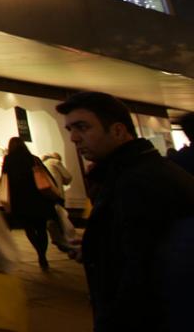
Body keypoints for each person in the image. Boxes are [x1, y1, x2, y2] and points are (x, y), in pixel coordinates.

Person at [57, 91, 194, 331]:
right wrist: (96, 247)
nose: (74, 138)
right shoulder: (134, 172)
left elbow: (140, 268)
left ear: (118, 131)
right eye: (70, 130)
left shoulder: (138, 182)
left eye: (82, 127)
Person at [1, 136, 58, 269]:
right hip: (37, 197)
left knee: (28, 227)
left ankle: (39, 251)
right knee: (41, 228)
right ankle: (42, 255)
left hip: (20, 199)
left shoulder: (8, 160)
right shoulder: (32, 158)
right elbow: (46, 175)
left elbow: (4, 178)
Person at [40, 151, 80, 257]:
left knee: (54, 216)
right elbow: (68, 177)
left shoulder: (41, 164)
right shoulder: (55, 162)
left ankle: (58, 238)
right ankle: (68, 239)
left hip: (45, 194)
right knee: (62, 216)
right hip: (57, 193)